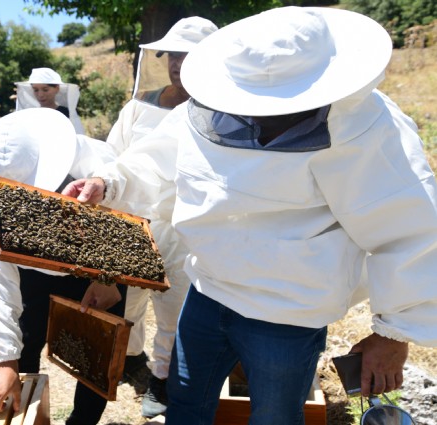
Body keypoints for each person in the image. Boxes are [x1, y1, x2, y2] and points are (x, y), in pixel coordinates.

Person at [63, 6, 437, 424]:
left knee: (274, 418)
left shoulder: (366, 126)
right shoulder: (206, 109)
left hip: (287, 314)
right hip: (206, 293)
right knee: (186, 407)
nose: (260, 114)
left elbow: (410, 229)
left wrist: (394, 333)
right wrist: (108, 182)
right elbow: (156, 161)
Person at [0, 108, 124, 425]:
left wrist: (106, 277)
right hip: (33, 271)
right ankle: (26, 411)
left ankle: (83, 421)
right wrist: (5, 361)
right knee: (26, 337)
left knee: (96, 355)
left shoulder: (96, 160)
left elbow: (133, 214)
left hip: (98, 268)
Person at [104, 16, 217, 419]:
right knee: (127, 302)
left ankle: (161, 379)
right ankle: (130, 359)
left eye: (188, 56)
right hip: (132, 223)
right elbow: (113, 157)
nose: (177, 63)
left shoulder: (220, 113)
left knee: (175, 308)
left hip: (183, 229)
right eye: (173, 54)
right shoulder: (138, 108)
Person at [15, 67, 85, 134]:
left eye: (45, 90)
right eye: (36, 90)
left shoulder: (65, 114)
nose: (40, 94)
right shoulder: (31, 116)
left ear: (57, 88)